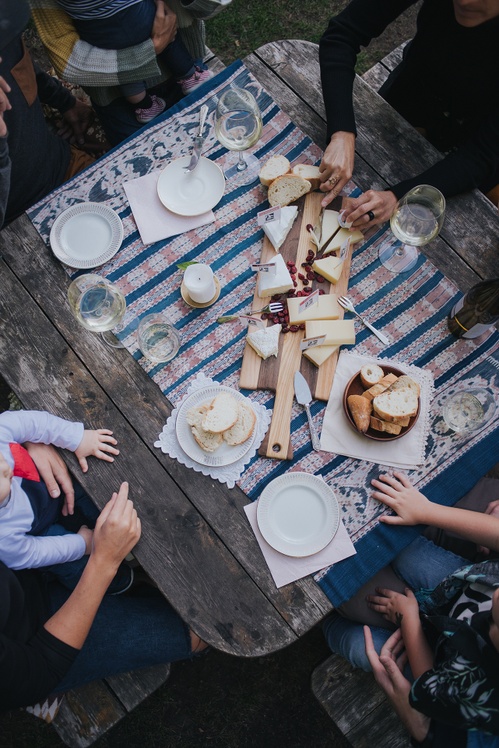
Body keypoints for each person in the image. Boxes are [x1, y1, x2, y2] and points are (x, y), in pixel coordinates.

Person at [0, 474, 206, 712]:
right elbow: (37, 674)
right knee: (198, 629)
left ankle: (129, 581)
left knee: (127, 484)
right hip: (39, 637)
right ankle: (131, 584)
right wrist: (104, 560)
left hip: (19, 533)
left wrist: (25, 447)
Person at [324, 471, 499, 746]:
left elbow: (433, 687)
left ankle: (330, 626)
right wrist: (426, 511)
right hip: (454, 587)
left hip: (432, 657)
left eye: (495, 622)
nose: (497, 592)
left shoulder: (480, 701)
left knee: (352, 637)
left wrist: (411, 622)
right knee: (402, 548)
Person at [318, 0, 499, 229]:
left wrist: (398, 196)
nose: (464, 1)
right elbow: (343, 34)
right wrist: (341, 130)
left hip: (468, 158)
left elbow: (483, 155)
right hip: (402, 105)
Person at [29, 0, 233, 145]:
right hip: (116, 99)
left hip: (186, 71)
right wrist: (149, 51)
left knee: (223, 146)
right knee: (148, 181)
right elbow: (66, 60)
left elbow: (209, 7)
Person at [0, 409, 135, 594]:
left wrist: (77, 438)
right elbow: (34, 552)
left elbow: (29, 422)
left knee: (109, 497)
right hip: (40, 531)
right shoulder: (3, 538)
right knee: (75, 568)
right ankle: (126, 583)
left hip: (57, 483)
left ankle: (133, 541)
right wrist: (82, 544)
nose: (5, 468)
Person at [0, 0, 95, 228]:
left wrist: (65, 102)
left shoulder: (6, 34)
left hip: (62, 167)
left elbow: (21, 61)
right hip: (15, 225)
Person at [54, 0, 213, 125]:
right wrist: (154, 47)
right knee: (167, 32)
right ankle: (190, 76)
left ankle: (144, 107)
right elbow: (66, 63)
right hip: (134, 14)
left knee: (119, 60)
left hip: (95, 32)